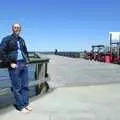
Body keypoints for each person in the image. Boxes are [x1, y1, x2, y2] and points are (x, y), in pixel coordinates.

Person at [0, 24, 32, 113]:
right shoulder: (7, 39)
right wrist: (10, 63)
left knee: (25, 86)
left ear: (20, 29)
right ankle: (20, 106)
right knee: (17, 87)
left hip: (23, 63)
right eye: (15, 27)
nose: (17, 29)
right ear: (12, 29)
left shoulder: (22, 40)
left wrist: (27, 61)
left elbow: (25, 51)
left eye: (18, 27)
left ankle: (26, 104)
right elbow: (1, 51)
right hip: (15, 64)